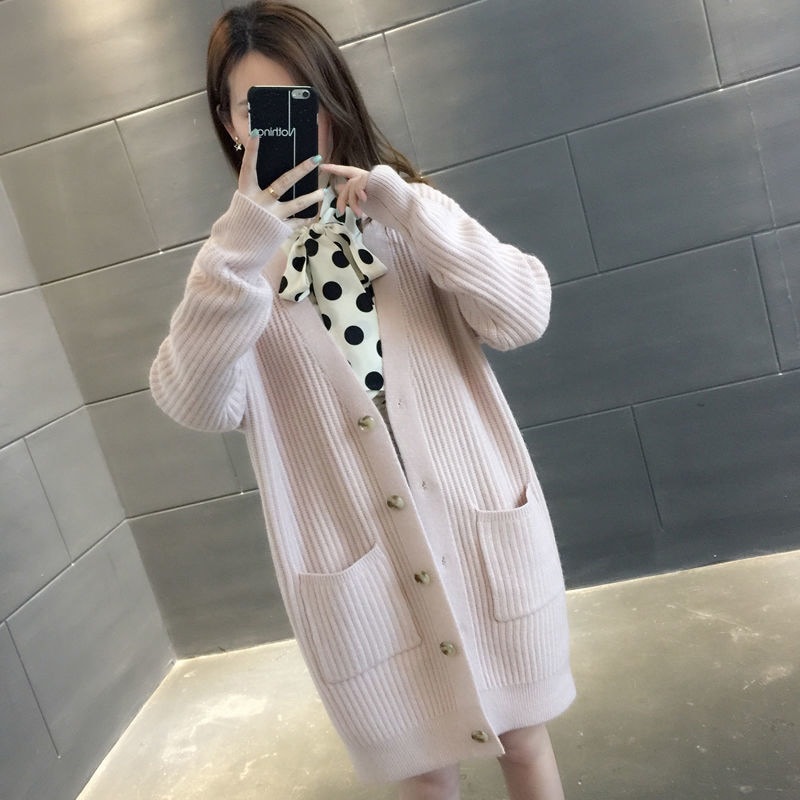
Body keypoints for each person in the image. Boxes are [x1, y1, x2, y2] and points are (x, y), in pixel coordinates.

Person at [150, 2, 575, 798]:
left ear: (333, 97)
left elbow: (522, 313)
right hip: (360, 573)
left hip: (478, 533)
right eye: (258, 108)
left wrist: (408, 207)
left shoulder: (408, 216)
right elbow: (192, 400)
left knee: (524, 742)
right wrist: (244, 240)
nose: (288, 126)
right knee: (424, 778)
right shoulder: (235, 270)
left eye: (301, 99)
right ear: (232, 124)